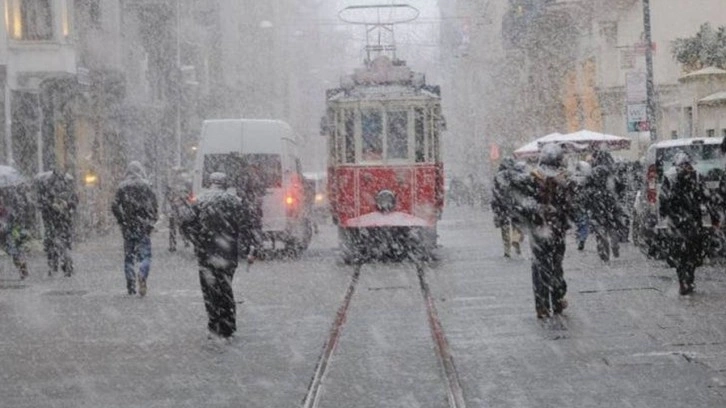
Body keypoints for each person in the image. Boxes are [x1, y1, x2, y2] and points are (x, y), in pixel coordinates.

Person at [180, 172, 258, 340]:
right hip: (228, 253)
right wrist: (246, 247)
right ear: (225, 184)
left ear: (210, 183)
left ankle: (214, 323)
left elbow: (185, 224)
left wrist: (197, 240)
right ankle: (228, 324)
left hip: (206, 253)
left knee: (209, 289)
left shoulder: (199, 201)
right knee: (225, 287)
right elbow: (246, 226)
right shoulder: (235, 202)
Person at [516, 144, 574, 318]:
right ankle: (556, 300)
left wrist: (534, 217)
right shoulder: (565, 179)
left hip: (539, 230)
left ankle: (541, 306)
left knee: (539, 266)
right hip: (557, 230)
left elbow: (523, 204)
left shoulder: (532, 177)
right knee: (556, 265)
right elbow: (571, 206)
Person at [660, 152, 712, 295]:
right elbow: (705, 196)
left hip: (678, 220)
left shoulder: (670, 177)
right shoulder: (695, 176)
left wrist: (664, 214)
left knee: (681, 252)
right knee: (692, 251)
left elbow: (663, 198)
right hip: (692, 220)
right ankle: (688, 279)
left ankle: (683, 280)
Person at [111, 161, 158, 296]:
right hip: (143, 226)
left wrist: (122, 219)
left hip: (128, 226)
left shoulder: (122, 187)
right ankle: (142, 273)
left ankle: (130, 283)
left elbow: (114, 206)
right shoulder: (147, 185)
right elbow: (154, 206)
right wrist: (151, 222)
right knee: (146, 255)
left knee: (129, 257)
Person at [36, 169, 78, 277]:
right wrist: (66, 206)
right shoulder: (66, 187)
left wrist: (50, 207)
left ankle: (55, 265)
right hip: (62, 221)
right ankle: (65, 265)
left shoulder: (46, 188)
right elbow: (74, 202)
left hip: (54, 221)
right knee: (63, 244)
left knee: (53, 243)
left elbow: (41, 204)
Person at [587, 150, 623, 262]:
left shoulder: (593, 172)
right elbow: (621, 186)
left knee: (600, 229)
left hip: (597, 204)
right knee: (613, 226)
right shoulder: (612, 172)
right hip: (611, 203)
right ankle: (615, 245)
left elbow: (586, 188)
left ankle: (604, 254)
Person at [491, 157, 524, 258]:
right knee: (517, 224)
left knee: (504, 227)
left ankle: (507, 249)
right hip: (514, 204)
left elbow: (495, 192)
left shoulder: (498, 176)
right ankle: (516, 239)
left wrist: (495, 205)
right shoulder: (515, 175)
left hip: (501, 206)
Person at [0, 184, 32, 279]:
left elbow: (9, 219)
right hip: (9, 232)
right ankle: (22, 268)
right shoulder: (11, 199)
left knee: (14, 251)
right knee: (14, 251)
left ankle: (22, 268)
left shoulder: (8, 205)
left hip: (7, 233)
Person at [165, 167, 192, 252]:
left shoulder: (177, 185)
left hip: (178, 208)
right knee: (180, 226)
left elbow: (169, 197)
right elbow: (187, 196)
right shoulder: (183, 184)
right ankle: (182, 242)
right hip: (179, 208)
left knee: (177, 227)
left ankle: (175, 245)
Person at [572, 160, 592, 251]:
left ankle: (579, 238)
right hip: (584, 204)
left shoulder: (573, 177)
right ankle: (582, 238)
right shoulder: (588, 178)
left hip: (576, 203)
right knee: (583, 222)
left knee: (578, 222)